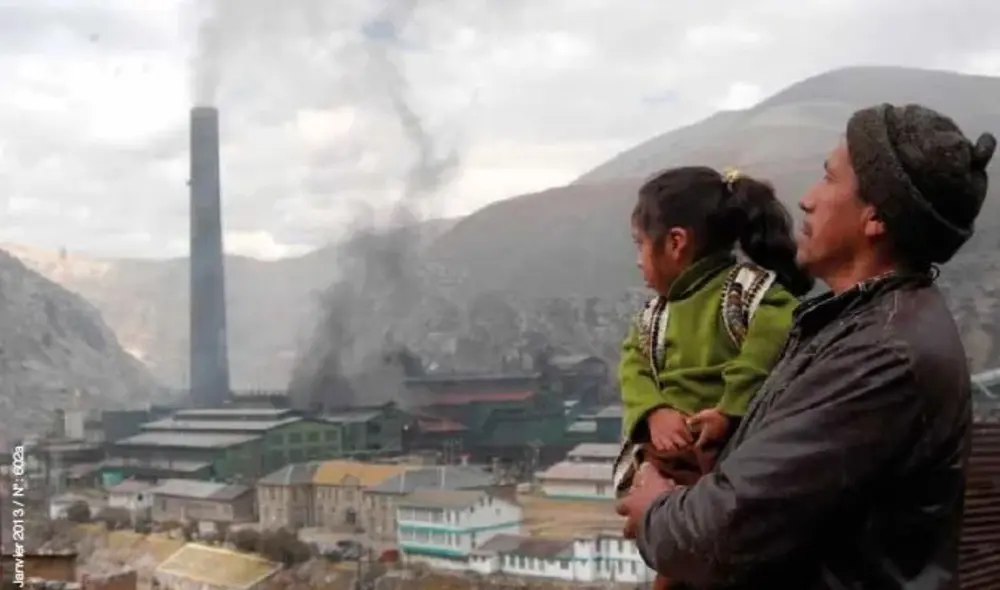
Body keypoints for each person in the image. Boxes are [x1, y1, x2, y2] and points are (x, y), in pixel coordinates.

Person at [616, 103, 995, 589]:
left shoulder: (883, 357)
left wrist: (654, 509)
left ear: (875, 216)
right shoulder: (865, 326)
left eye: (828, 178)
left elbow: (726, 530)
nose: (808, 200)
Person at [616, 166, 813, 589]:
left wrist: (729, 412)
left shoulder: (747, 292)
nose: (637, 260)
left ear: (675, 242)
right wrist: (654, 412)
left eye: (639, 245)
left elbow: (768, 346)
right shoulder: (654, 316)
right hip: (671, 454)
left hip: (729, 457)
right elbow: (632, 366)